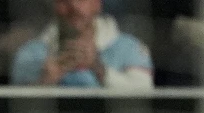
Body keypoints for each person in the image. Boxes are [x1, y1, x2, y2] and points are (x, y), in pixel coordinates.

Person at [10, 0, 153, 88]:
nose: (74, 7)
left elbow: (145, 99)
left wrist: (98, 68)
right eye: (64, 1)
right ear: (54, 5)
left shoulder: (131, 49)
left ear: (97, 4)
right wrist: (43, 83)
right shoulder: (30, 54)